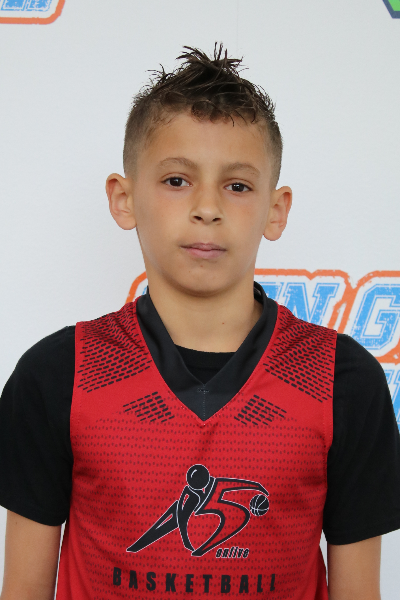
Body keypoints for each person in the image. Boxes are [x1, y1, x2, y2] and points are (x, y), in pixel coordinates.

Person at [0, 44, 399, 600]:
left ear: (276, 209)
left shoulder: (341, 381)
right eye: (176, 180)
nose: (207, 207)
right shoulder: (57, 374)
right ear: (124, 198)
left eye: (237, 186)